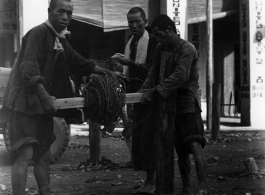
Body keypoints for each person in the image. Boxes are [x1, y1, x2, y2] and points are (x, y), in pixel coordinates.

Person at [0, 0, 124, 194]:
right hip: (24, 105)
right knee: (25, 154)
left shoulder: (59, 39)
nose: (65, 17)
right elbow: (29, 70)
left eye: (69, 13)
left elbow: (78, 62)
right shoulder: (38, 34)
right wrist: (46, 97)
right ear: (50, 12)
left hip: (42, 107)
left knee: (43, 156)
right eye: (61, 12)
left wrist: (107, 73)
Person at [138, 15, 208, 195]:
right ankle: (186, 188)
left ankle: (203, 188)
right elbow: (153, 72)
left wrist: (155, 91)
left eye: (160, 34)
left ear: (170, 30)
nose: (158, 39)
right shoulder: (160, 48)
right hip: (168, 103)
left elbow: (180, 76)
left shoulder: (188, 48)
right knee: (180, 149)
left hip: (187, 102)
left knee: (194, 143)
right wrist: (143, 90)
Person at [111, 7, 158, 169]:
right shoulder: (131, 43)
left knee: (148, 135)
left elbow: (151, 70)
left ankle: (151, 175)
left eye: (138, 21)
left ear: (145, 22)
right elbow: (130, 73)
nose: (134, 25)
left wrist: (128, 63)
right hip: (133, 95)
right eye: (131, 22)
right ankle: (140, 167)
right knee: (134, 133)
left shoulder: (153, 41)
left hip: (149, 96)